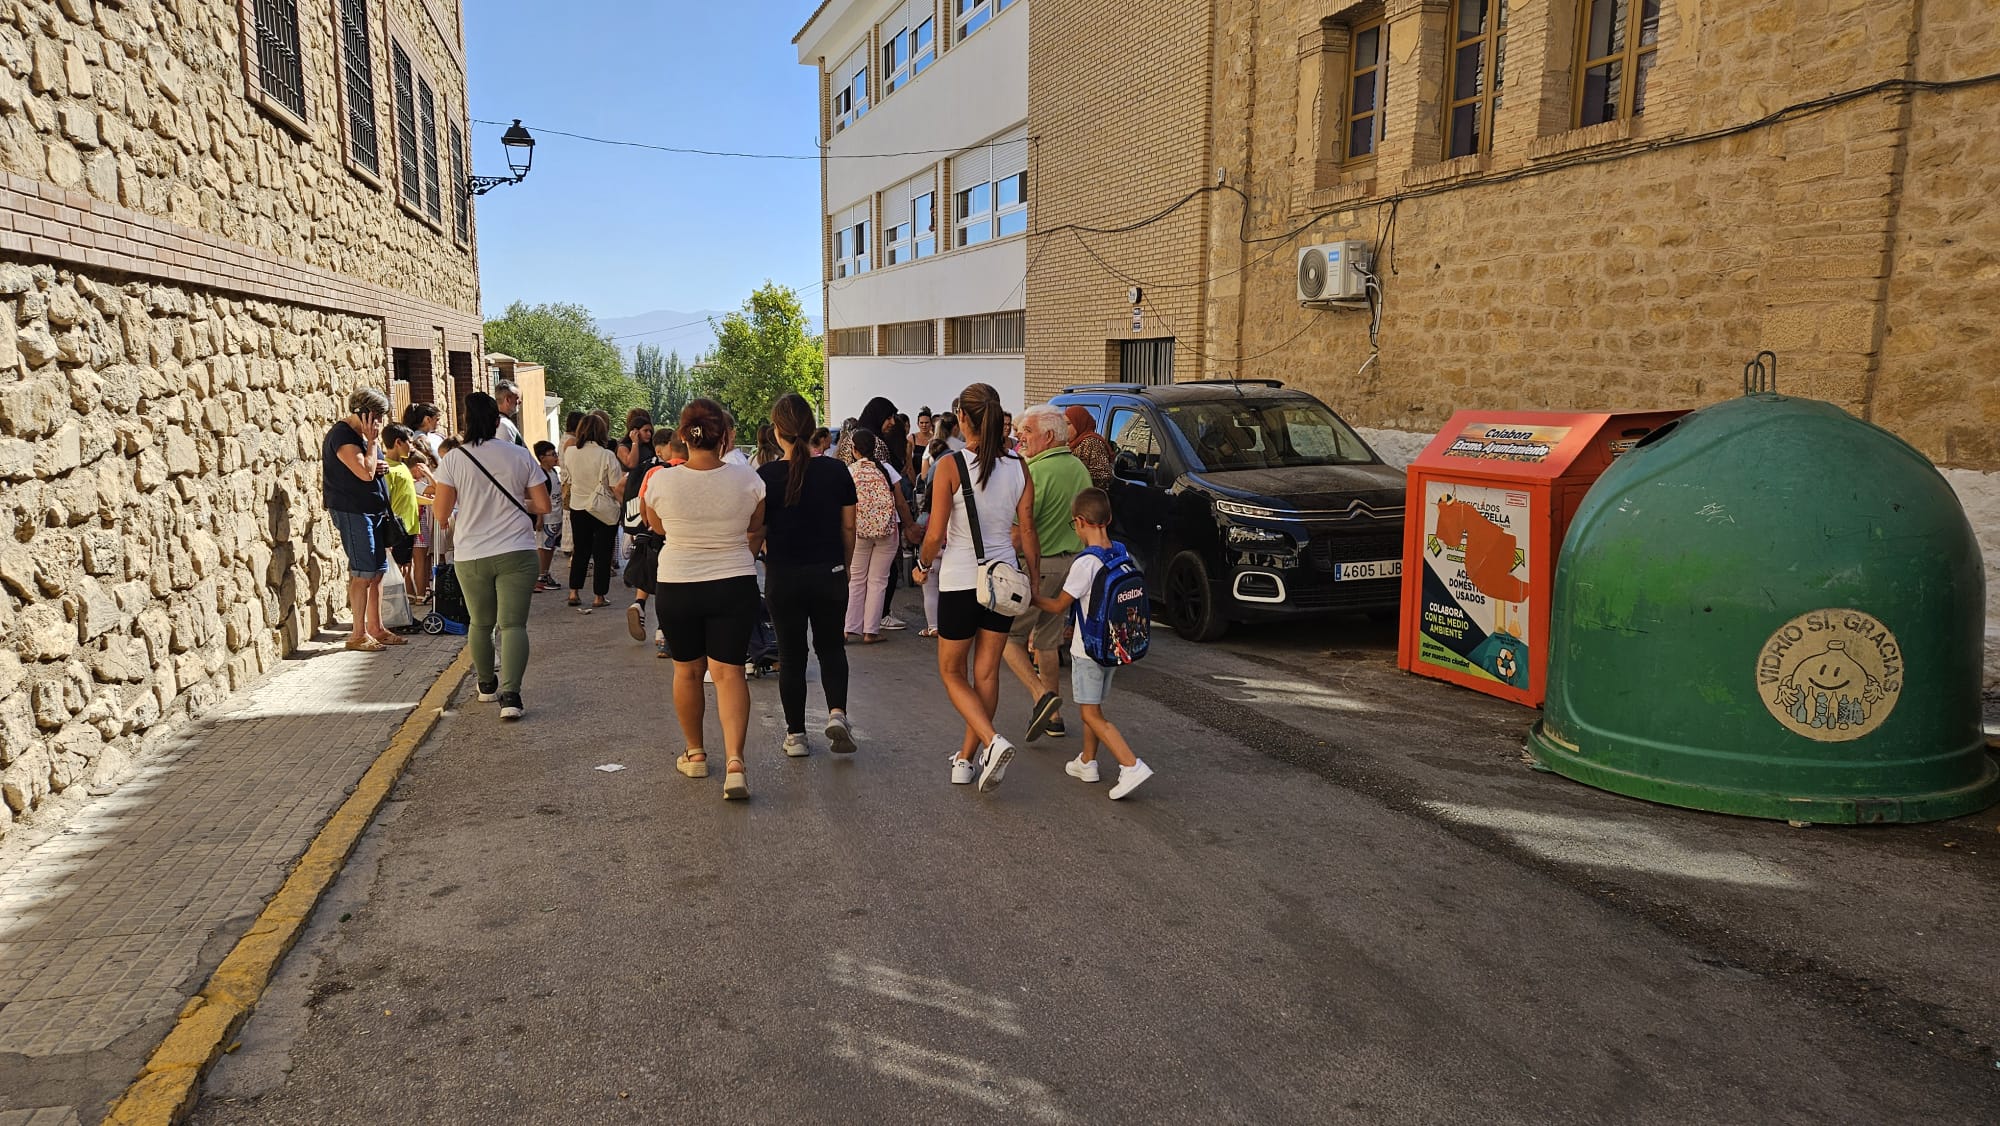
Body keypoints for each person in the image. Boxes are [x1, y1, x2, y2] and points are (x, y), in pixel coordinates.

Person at [911, 383, 1038, 792]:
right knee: (986, 674)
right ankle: (966, 759)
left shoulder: (950, 465)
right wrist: (1034, 581)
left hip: (961, 581)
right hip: (1003, 581)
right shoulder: (1019, 467)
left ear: (962, 418)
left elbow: (935, 534)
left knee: (952, 672)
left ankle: (991, 741)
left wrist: (922, 566)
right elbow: (1028, 531)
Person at [643, 399, 766, 800]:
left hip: (678, 582)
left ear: (683, 435)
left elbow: (657, 525)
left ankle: (695, 753)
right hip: (733, 581)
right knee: (729, 673)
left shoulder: (662, 481)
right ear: (725, 436)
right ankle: (735, 763)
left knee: (687, 671)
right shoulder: (747, 478)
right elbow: (755, 524)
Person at [432, 393, 551, 720]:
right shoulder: (520, 455)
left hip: (472, 553)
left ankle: (486, 686)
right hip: (517, 550)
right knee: (513, 625)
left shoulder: (453, 460)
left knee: (481, 623)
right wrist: (516, 501)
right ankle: (511, 697)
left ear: (466, 422)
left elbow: (441, 514)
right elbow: (543, 505)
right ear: (498, 421)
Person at [1030, 489, 1155, 799]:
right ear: (1108, 518)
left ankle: (1131, 765)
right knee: (1093, 706)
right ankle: (1088, 761)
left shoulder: (1084, 563)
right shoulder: (1121, 552)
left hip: (1088, 650)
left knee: (1089, 714)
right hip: (1114, 645)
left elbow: (1059, 605)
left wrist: (1032, 598)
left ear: (1079, 522)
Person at [759, 393, 859, 757]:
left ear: (777, 431)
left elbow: (759, 530)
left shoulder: (765, 477)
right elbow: (849, 527)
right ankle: (837, 713)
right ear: (812, 427)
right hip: (828, 571)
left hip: (783, 576)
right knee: (831, 648)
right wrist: (845, 566)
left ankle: (797, 735)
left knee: (791, 655)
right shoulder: (836, 471)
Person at [1005, 405, 1094, 743]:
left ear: (1049, 436)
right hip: (1072, 565)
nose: (1020, 437)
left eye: (1027, 431)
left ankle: (1042, 696)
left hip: (1038, 567)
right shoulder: (1078, 468)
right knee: (1047, 641)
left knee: (1005, 638)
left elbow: (1019, 531)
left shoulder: (1034, 471)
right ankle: (1053, 718)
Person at [323, 388, 398, 652]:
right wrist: (372, 443)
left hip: (372, 511)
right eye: (376, 416)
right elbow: (365, 473)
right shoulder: (342, 436)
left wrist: (380, 464)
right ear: (364, 413)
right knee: (363, 573)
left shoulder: (362, 437)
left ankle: (376, 628)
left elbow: (370, 467)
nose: (379, 422)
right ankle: (357, 634)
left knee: (377, 572)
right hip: (353, 511)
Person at [844, 429, 914, 642]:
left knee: (856, 579)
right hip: (886, 530)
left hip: (859, 531)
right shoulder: (886, 469)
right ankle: (870, 631)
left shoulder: (849, 471)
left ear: (854, 450)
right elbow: (900, 502)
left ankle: (849, 628)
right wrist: (910, 525)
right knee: (878, 580)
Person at [559, 412, 621, 610]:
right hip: (602, 508)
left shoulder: (570, 453)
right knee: (603, 553)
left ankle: (574, 591)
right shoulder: (607, 455)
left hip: (578, 506)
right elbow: (615, 485)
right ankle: (599, 596)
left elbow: (568, 476)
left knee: (580, 550)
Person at [616, 417, 662, 643]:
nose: (648, 435)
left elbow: (620, 488)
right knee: (661, 570)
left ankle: (639, 603)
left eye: (650, 431)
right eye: (644, 431)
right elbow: (630, 464)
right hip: (648, 517)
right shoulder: (627, 448)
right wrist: (634, 442)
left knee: (647, 561)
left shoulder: (651, 458)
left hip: (641, 519)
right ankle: (662, 630)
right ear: (633, 431)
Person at [381, 423, 425, 600]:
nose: (412, 447)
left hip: (409, 527)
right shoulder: (387, 468)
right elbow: (385, 500)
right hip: (398, 529)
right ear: (398, 442)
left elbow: (409, 495)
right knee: (398, 569)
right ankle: (393, 606)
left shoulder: (402, 466)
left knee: (405, 568)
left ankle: (402, 604)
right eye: (410, 442)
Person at [532, 441, 563, 591]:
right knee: (543, 547)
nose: (555, 457)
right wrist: (539, 518)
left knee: (551, 547)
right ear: (542, 457)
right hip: (547, 518)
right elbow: (539, 499)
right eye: (552, 454)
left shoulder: (554, 472)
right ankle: (540, 575)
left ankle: (545, 572)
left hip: (556, 516)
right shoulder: (541, 475)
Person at [1065, 405, 1116, 489]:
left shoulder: (1092, 442)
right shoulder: (1070, 443)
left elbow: (1104, 475)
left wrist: (1076, 476)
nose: (1064, 428)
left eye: (1068, 424)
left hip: (1087, 494)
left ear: (1079, 423)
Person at [494, 380, 526, 446]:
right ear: (508, 400)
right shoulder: (502, 425)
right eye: (517, 398)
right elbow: (506, 451)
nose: (520, 401)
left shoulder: (502, 422)